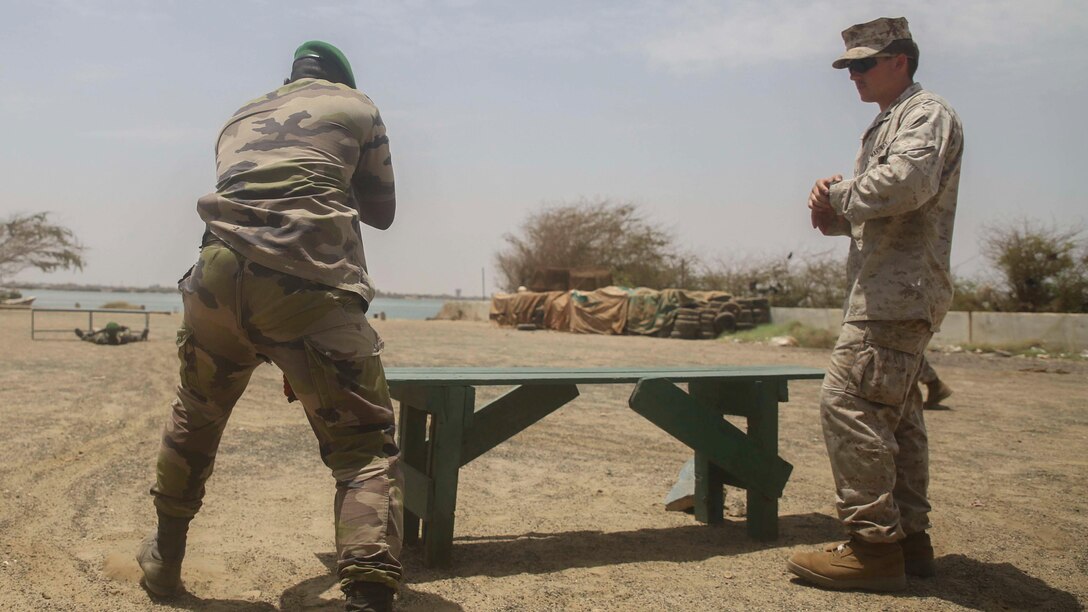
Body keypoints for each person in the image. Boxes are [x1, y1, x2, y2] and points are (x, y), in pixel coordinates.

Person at [137, 41, 403, 612]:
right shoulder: (358, 104)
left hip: (214, 274)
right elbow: (381, 212)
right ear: (341, 80)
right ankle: (369, 593)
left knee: (197, 413)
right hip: (305, 279)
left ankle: (163, 561)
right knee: (361, 447)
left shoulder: (240, 114)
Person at [788, 17, 964, 592]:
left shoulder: (924, 113)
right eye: (849, 67)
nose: (854, 75)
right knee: (898, 420)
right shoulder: (889, 123)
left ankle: (872, 548)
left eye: (864, 64)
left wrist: (840, 195)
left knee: (848, 403)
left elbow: (908, 184)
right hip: (894, 290)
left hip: (893, 297)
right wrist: (833, 213)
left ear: (901, 61)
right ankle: (911, 543)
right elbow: (888, 210)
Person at [74, 322, 148, 344]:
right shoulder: (122, 339)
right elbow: (128, 331)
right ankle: (142, 337)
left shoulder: (101, 339)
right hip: (119, 339)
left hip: (105, 339)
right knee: (133, 337)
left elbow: (93, 336)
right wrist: (124, 328)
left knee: (90, 338)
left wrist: (101, 330)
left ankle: (82, 336)